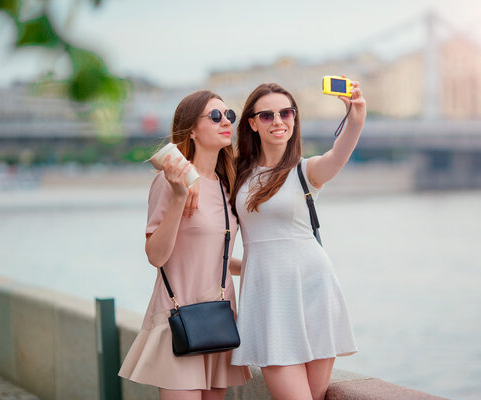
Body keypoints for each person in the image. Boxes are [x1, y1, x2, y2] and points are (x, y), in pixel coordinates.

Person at [229, 82, 366, 400]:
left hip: (315, 291)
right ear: (252, 123)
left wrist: (356, 115)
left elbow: (340, 151)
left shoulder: (308, 171)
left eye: (286, 112)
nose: (278, 121)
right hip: (269, 301)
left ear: (294, 118)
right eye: (267, 115)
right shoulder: (237, 174)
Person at [119, 90, 251, 400]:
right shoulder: (169, 182)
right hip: (179, 318)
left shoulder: (227, 186)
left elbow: (213, 258)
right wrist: (179, 195)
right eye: (214, 116)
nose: (225, 121)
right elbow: (156, 256)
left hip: (219, 319)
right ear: (191, 129)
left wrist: (255, 267)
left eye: (229, 115)